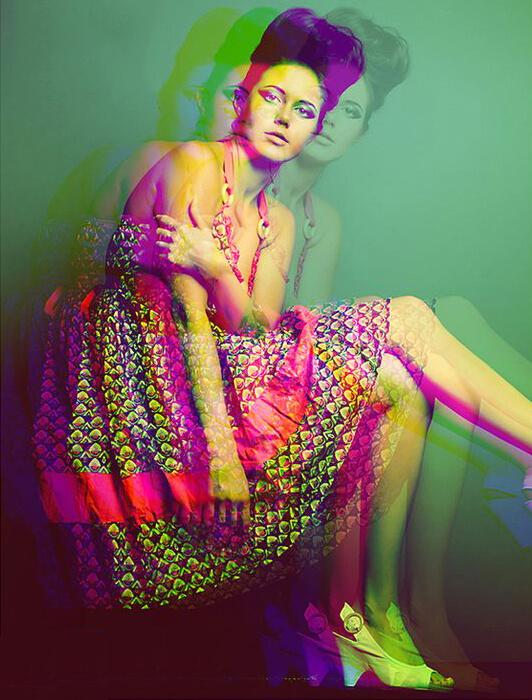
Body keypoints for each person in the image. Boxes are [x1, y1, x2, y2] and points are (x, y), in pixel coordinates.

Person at [32, 6, 532, 692]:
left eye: (307, 110)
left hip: (224, 383)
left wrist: (217, 267)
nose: (289, 119)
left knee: (400, 376)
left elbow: (258, 327)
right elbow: (184, 317)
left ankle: (366, 620)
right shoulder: (194, 164)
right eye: (273, 99)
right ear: (245, 100)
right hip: (146, 402)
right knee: (411, 320)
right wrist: (218, 455)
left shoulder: (282, 221)